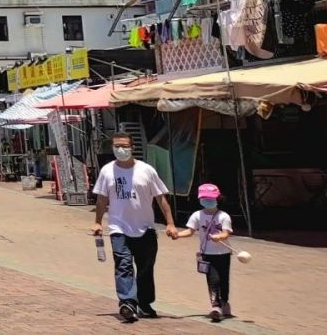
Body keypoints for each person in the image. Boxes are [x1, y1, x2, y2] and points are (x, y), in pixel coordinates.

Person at [91, 131, 180, 323]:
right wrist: (98, 221)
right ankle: (127, 303)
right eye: (116, 146)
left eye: (124, 146)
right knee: (123, 265)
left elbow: (161, 198)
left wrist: (170, 223)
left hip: (145, 228)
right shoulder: (107, 171)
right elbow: (101, 199)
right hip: (118, 228)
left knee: (146, 268)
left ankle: (145, 304)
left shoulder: (147, 170)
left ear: (132, 148)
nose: (120, 149)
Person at [176, 183, 235, 321]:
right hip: (207, 254)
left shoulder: (224, 216)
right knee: (213, 280)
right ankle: (215, 306)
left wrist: (219, 236)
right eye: (205, 198)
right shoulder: (197, 215)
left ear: (217, 199)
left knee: (224, 280)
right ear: (200, 199)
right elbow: (190, 231)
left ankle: (224, 302)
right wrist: (177, 235)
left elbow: (226, 233)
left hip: (224, 253)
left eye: (210, 198)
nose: (208, 201)